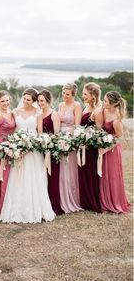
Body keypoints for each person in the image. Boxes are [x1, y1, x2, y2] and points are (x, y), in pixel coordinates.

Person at [0, 88, 55, 223]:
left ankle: (36, 209)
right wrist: (15, 145)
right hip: (19, 149)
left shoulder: (38, 113)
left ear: (34, 101)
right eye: (24, 98)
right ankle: (17, 210)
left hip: (33, 150)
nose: (25, 101)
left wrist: (33, 143)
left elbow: (40, 132)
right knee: (18, 178)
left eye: (28, 99)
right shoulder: (15, 112)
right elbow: (12, 130)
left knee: (34, 178)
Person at [99, 91, 131, 213]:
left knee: (112, 175)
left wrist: (105, 149)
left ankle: (114, 202)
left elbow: (119, 138)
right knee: (104, 175)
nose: (103, 102)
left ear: (112, 104)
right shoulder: (104, 111)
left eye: (106, 101)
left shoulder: (117, 119)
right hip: (103, 146)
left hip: (112, 149)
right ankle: (103, 200)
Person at [37, 89, 64, 215]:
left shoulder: (54, 114)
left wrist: (49, 143)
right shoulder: (39, 114)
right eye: (38, 101)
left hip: (52, 150)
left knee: (52, 177)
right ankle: (44, 204)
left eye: (42, 100)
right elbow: (39, 132)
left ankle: (54, 205)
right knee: (42, 177)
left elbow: (57, 133)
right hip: (41, 149)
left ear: (48, 100)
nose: (40, 103)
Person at [58, 83, 83, 213]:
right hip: (59, 139)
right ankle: (62, 198)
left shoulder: (77, 106)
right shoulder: (60, 105)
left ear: (73, 94)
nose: (64, 96)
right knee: (61, 169)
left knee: (70, 169)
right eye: (63, 93)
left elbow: (77, 126)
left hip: (70, 140)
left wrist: (69, 140)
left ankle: (72, 199)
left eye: (67, 94)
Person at [0, 90, 16, 215]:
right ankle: (1, 207)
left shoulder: (12, 113)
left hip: (11, 146)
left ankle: (11, 204)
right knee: (3, 176)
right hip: (0, 147)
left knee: (11, 176)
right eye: (2, 101)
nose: (5, 103)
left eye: (7, 100)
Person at [78, 82, 103, 212]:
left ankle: (93, 201)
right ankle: (85, 201)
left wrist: (89, 140)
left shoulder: (98, 110)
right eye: (83, 93)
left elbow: (99, 131)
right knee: (83, 173)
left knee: (91, 174)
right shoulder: (86, 106)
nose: (83, 96)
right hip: (82, 146)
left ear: (93, 95)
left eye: (85, 94)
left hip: (91, 148)